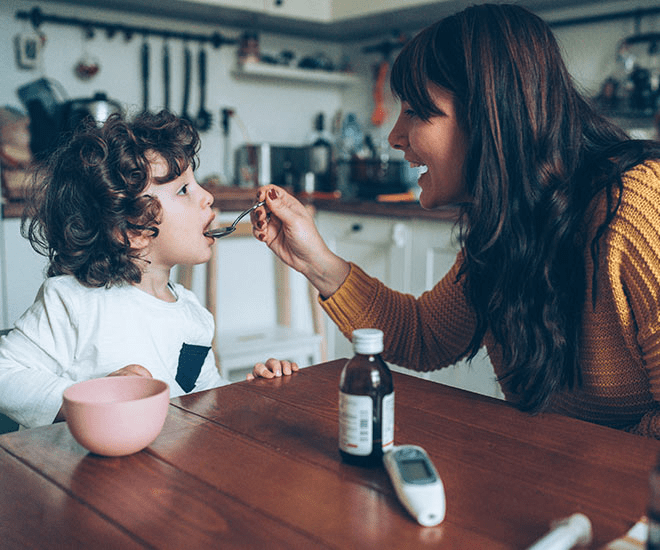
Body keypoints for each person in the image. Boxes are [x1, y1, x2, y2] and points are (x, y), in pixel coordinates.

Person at [248, 3, 660, 439]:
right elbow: (423, 336)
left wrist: (570, 458)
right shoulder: (507, 224)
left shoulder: (636, 206)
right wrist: (315, 259)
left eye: (416, 111)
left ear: (492, 117)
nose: (393, 136)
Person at [0, 110, 293, 429]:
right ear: (134, 231)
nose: (207, 196)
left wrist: (252, 390)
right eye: (183, 190)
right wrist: (91, 397)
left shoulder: (193, 315)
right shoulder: (74, 303)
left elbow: (205, 399)